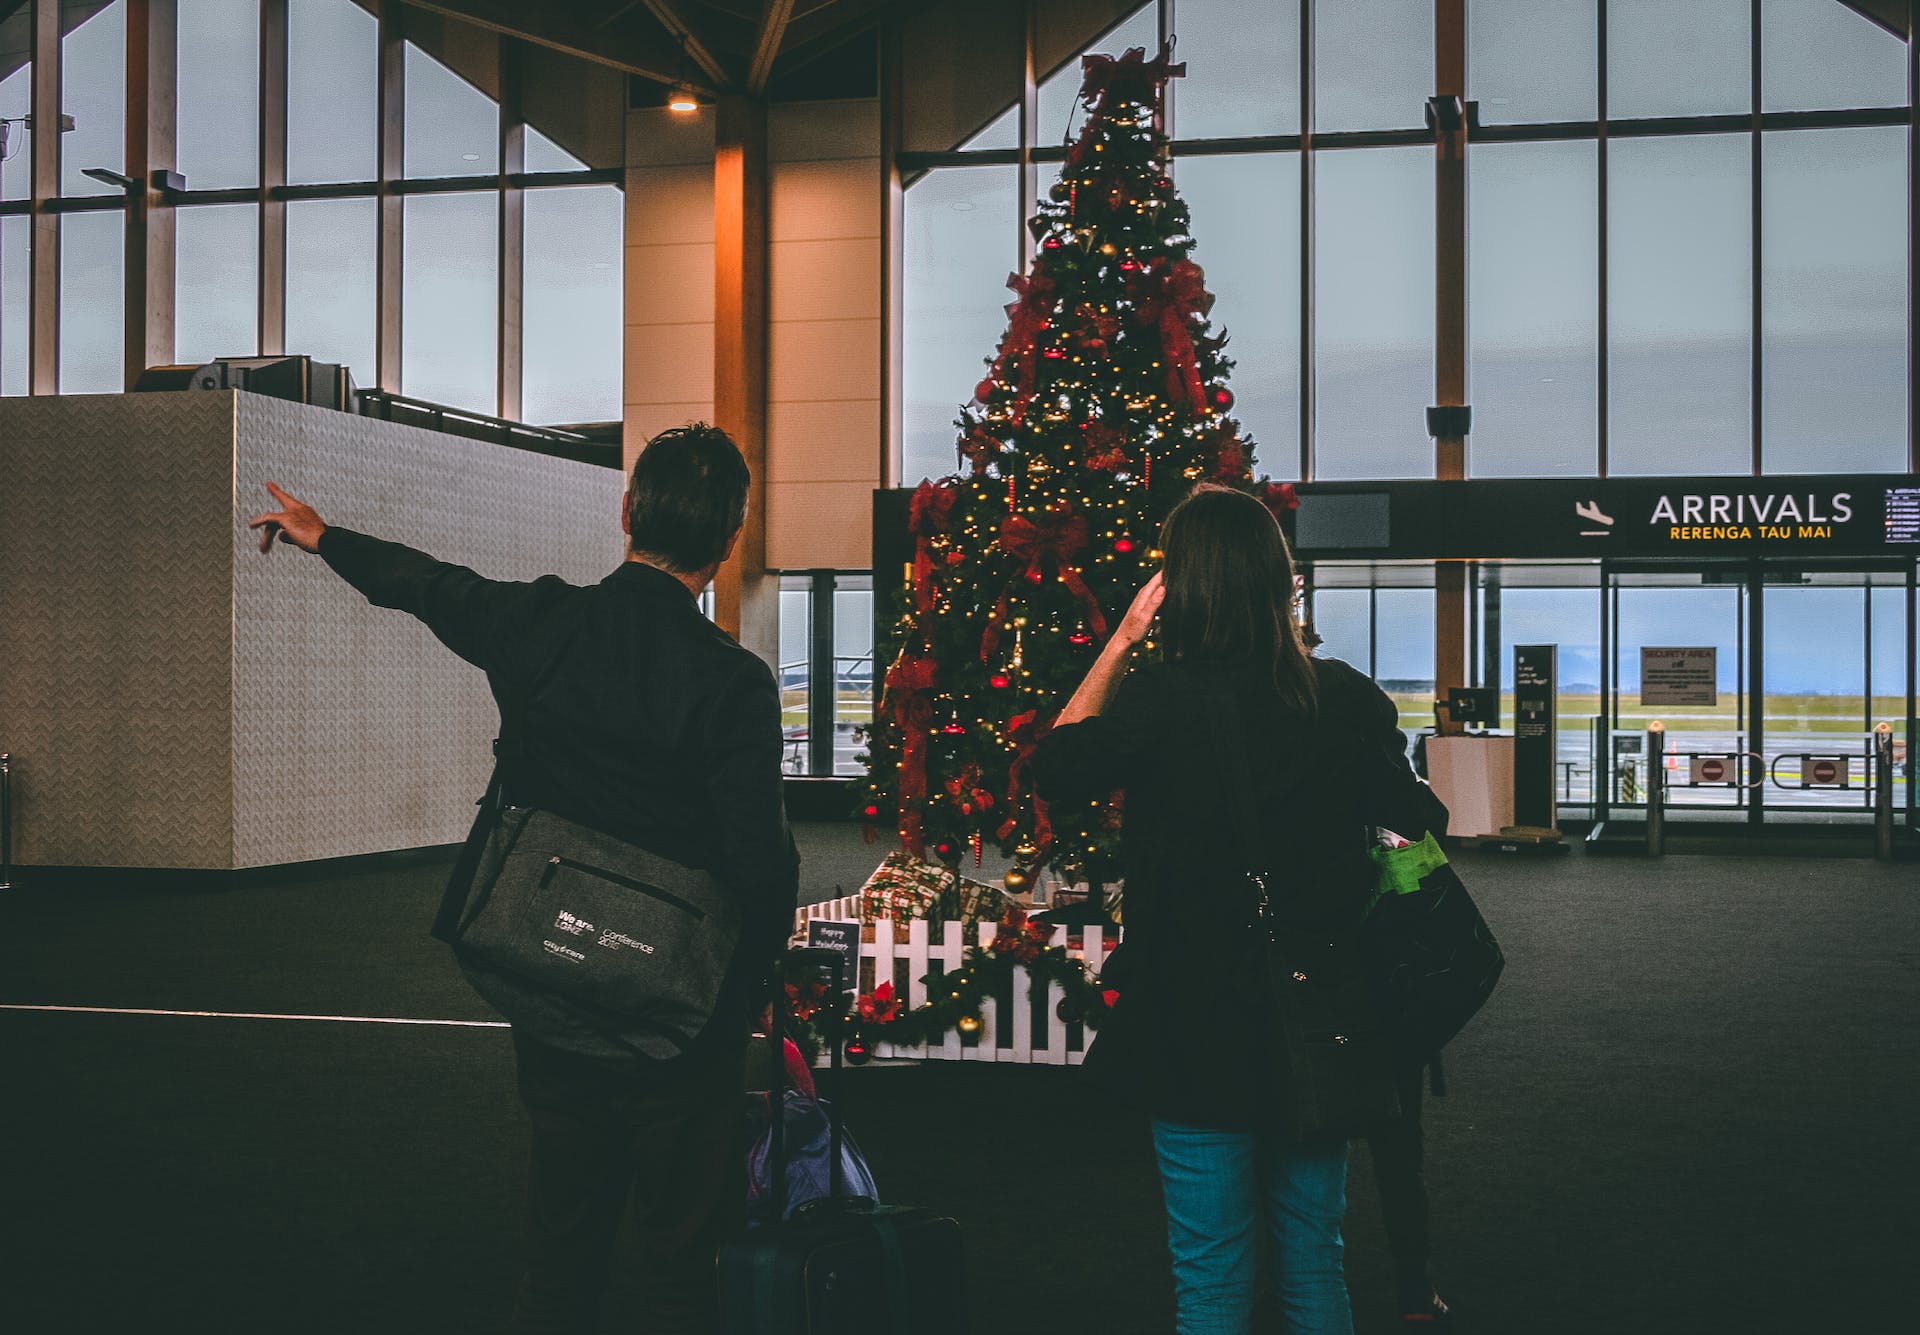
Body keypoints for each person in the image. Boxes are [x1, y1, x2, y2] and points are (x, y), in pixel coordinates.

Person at [248, 423, 799, 1335]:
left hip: (552, 974)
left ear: (628, 513)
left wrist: (323, 534)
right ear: (731, 538)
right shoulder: (732, 682)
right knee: (681, 1260)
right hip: (682, 1009)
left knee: (560, 1247)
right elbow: (759, 861)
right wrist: (763, 987)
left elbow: (425, 586)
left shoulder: (542, 623)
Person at [1031, 484, 1441, 1335]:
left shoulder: (1159, 703)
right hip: (1314, 1014)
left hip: (1193, 1026)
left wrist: (1122, 639)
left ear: (1184, 588)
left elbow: (1058, 764)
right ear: (1279, 583)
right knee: (1313, 1262)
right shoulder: (1341, 698)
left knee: (1212, 1278)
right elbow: (1420, 821)